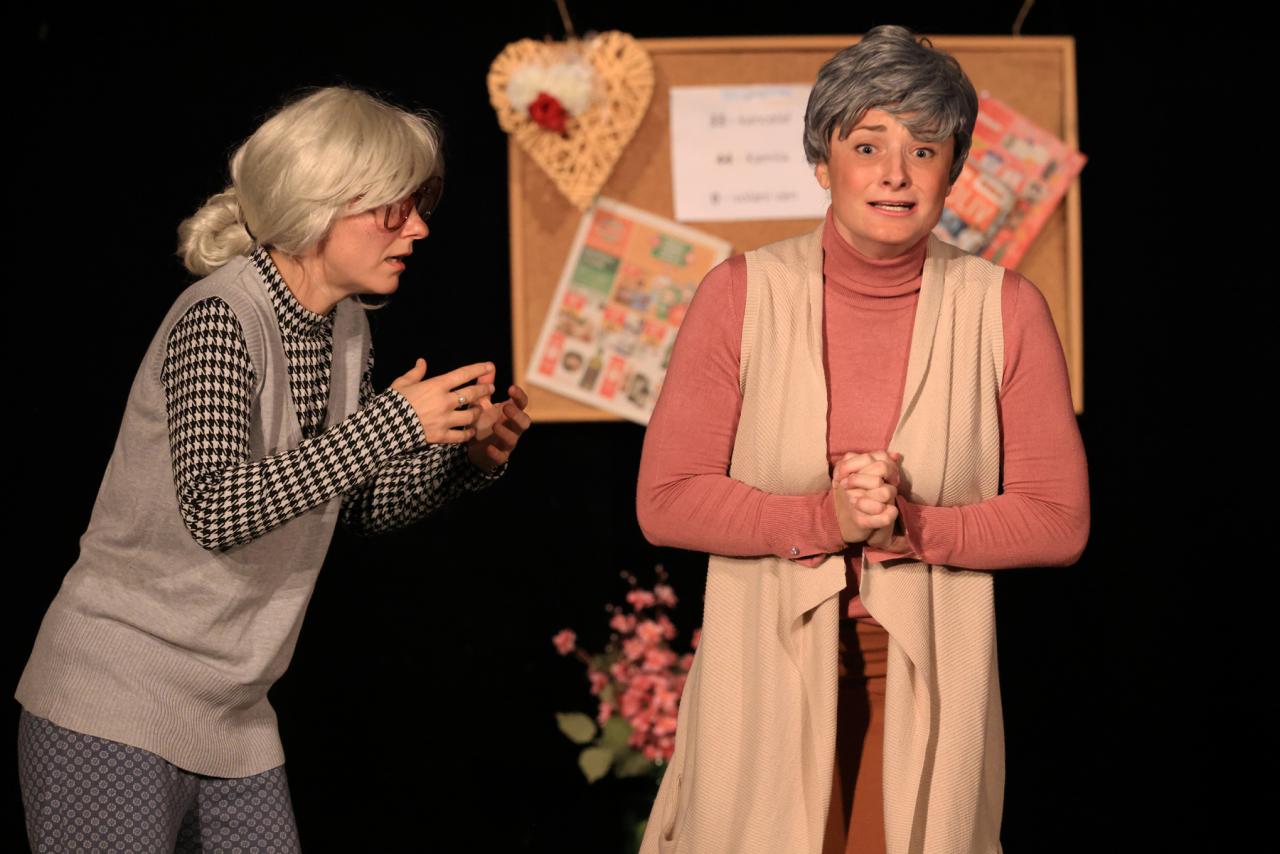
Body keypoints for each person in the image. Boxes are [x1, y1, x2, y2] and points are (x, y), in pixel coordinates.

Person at [15, 86, 531, 853]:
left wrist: (463, 457)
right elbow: (216, 507)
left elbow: (353, 503)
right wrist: (393, 422)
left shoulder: (346, 327)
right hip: (118, 694)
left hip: (233, 713)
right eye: (394, 208)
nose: (419, 228)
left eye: (418, 205)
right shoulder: (221, 317)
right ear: (320, 204)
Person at [636, 26, 1089, 854]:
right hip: (761, 664)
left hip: (930, 675)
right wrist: (825, 519)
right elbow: (666, 501)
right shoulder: (739, 295)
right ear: (823, 162)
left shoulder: (1005, 308)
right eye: (868, 145)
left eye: (925, 149)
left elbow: (1058, 519)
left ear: (954, 169)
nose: (895, 174)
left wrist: (917, 530)